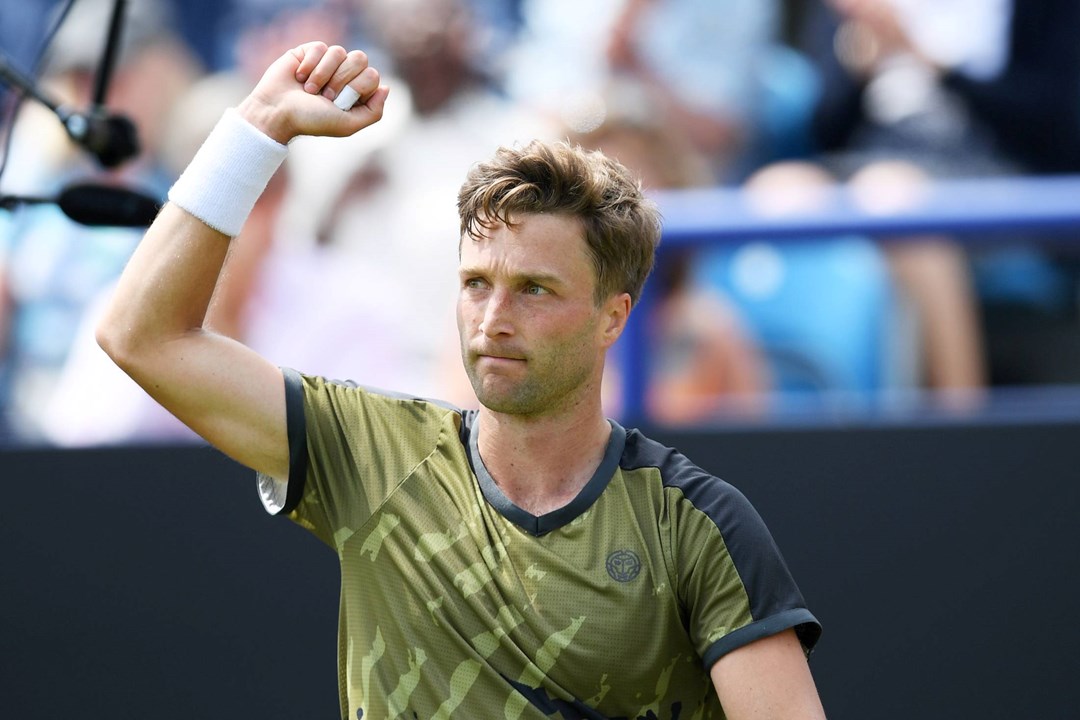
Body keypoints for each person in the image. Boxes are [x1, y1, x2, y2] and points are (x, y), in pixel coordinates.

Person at [96, 41, 825, 718]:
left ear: (613, 317)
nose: (493, 319)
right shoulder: (365, 449)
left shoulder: (699, 525)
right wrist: (258, 125)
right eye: (476, 283)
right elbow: (141, 336)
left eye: (535, 289)